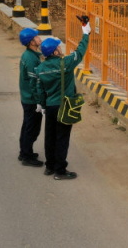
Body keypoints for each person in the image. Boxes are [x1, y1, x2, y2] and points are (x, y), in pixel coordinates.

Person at [35, 22, 91, 180]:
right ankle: (60, 170)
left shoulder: (40, 69)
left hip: (50, 108)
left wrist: (43, 105)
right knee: (62, 138)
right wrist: (86, 33)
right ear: (54, 51)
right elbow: (80, 52)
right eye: (58, 47)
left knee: (50, 137)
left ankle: (49, 166)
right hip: (64, 106)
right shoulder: (65, 64)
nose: (61, 49)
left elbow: (40, 90)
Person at [18, 28, 44, 167]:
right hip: (31, 99)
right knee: (32, 128)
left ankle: (24, 152)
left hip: (26, 97)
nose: (39, 39)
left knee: (27, 125)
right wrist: (40, 102)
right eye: (36, 37)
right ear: (31, 42)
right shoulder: (31, 59)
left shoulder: (30, 55)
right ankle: (27, 156)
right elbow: (34, 83)